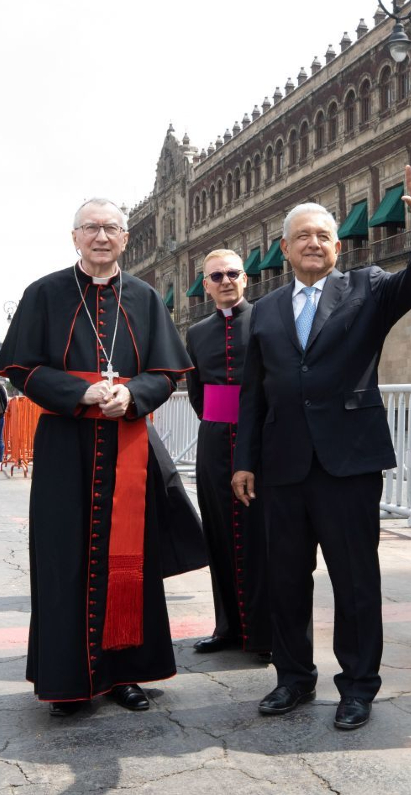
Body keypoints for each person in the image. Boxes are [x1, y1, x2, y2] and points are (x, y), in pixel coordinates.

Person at [232, 156, 411, 731]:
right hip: (281, 466)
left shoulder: (366, 287)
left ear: (336, 245)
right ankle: (293, 678)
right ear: (283, 248)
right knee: (284, 578)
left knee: (355, 579)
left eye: (323, 235)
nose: (313, 243)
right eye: (302, 236)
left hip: (348, 462)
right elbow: (253, 393)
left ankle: (357, 687)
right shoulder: (265, 311)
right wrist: (243, 461)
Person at [0, 197, 206, 716]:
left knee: (128, 557)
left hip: (127, 441)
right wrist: (80, 393)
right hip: (66, 445)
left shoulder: (146, 297)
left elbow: (166, 374)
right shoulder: (43, 293)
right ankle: (67, 680)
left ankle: (126, 675)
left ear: (126, 238)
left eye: (112, 228)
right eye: (91, 227)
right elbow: (21, 370)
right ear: (75, 237)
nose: (102, 236)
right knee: (64, 558)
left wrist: (133, 395)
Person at [184, 249, 271, 660]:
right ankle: (228, 627)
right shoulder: (197, 333)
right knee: (219, 533)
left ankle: (265, 633)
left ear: (246, 278)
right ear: (206, 284)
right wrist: (220, 424)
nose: (225, 281)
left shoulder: (267, 318)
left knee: (262, 537)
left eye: (233, 273)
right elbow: (198, 394)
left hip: (262, 441)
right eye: (216, 275)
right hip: (215, 440)